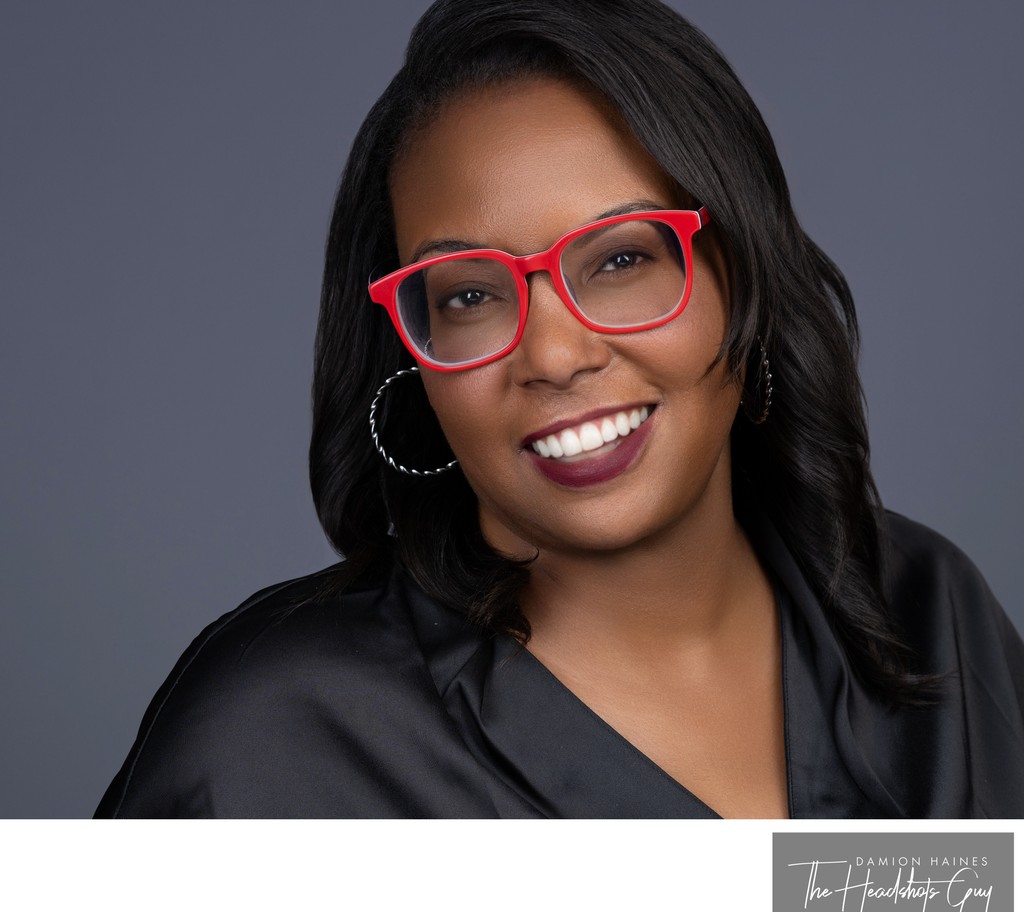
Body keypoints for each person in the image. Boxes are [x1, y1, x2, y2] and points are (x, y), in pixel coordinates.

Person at [96, 0, 1024, 818]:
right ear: (411, 353)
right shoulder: (276, 740)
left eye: (620, 260)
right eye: (468, 295)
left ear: (741, 277)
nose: (554, 354)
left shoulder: (924, 608)